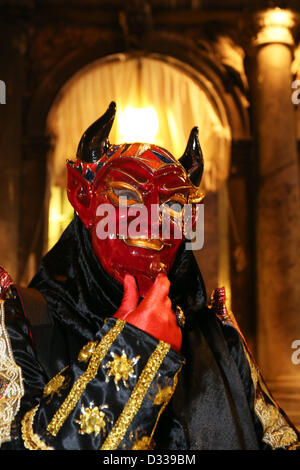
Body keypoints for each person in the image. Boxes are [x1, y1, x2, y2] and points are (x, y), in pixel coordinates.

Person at [0, 102, 299, 451]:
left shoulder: (219, 338)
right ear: (84, 199)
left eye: (172, 206)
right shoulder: (21, 323)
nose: (153, 220)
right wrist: (133, 349)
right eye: (127, 197)